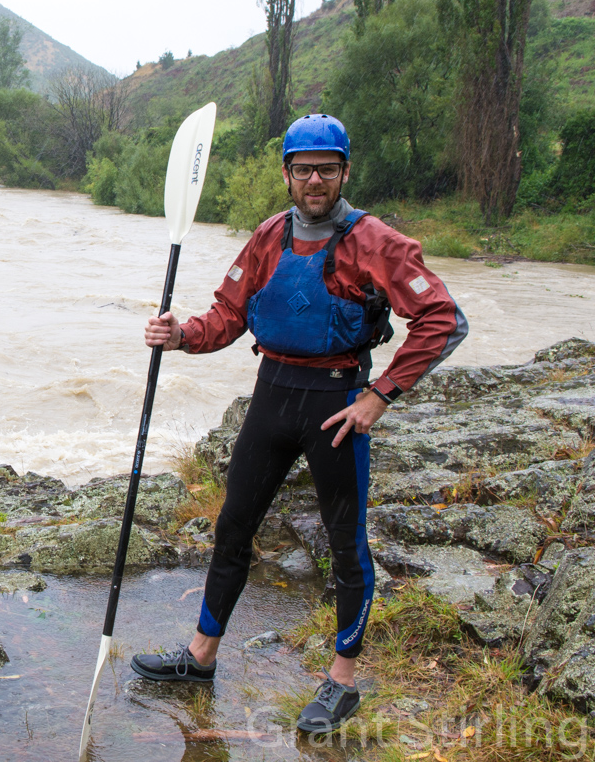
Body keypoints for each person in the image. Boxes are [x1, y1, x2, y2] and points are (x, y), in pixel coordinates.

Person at [130, 115, 468, 734]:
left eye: (328, 169)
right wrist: (180, 335)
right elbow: (228, 315)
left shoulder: (375, 242)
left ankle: (342, 681)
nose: (315, 180)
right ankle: (201, 656)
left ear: (344, 172)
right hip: (272, 393)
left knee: (346, 545)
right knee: (232, 527)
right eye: (304, 168)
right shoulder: (266, 237)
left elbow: (443, 319)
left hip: (336, 402)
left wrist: (381, 396)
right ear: (287, 174)